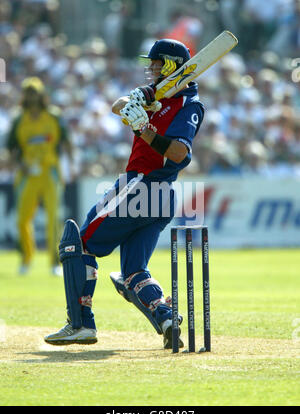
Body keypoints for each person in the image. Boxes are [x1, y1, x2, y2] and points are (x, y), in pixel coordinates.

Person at [44, 39, 205, 349]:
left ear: (171, 65)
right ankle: (165, 317)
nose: (151, 68)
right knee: (132, 271)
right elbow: (118, 106)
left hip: (143, 185)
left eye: (157, 64)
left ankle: (80, 324)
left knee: (79, 244)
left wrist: (145, 127)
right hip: (158, 196)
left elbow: (179, 154)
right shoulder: (158, 94)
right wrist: (139, 98)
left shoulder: (188, 104)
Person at [6, 77, 72, 276]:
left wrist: (71, 166)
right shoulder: (19, 118)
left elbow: (66, 142)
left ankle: (54, 262)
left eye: (34, 92)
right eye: (28, 92)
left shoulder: (53, 116)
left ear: (41, 94)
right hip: (27, 175)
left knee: (54, 219)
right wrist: (20, 166)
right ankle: (26, 258)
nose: (31, 96)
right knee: (22, 220)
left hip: (50, 171)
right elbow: (11, 149)